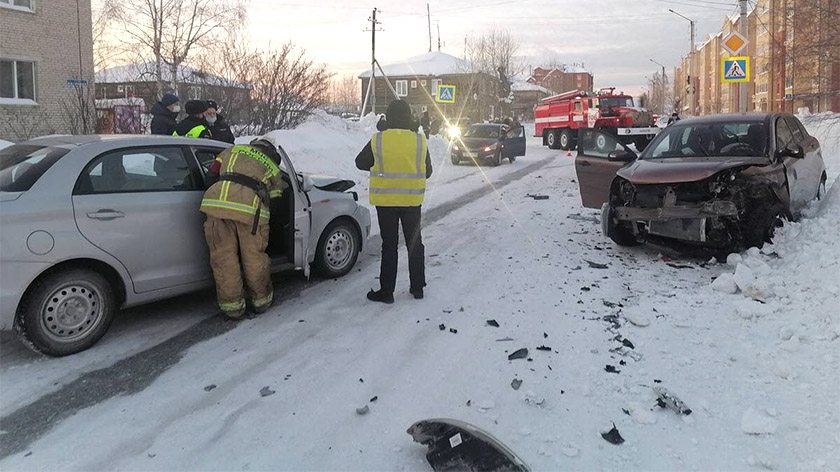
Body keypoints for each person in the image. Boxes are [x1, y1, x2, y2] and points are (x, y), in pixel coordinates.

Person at [355, 99, 433, 304]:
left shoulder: (378, 140)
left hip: (386, 202)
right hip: (411, 201)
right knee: (415, 244)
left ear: (388, 117)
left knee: (389, 246)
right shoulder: (419, 141)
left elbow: (360, 162)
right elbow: (429, 171)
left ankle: (387, 292)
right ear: (409, 117)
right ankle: (417, 288)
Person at [200, 138, 286, 319]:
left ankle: (233, 308)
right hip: (250, 214)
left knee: (223, 259)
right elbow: (276, 198)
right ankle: (261, 301)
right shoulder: (271, 165)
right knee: (253, 258)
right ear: (271, 151)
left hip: (216, 206)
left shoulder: (231, 150)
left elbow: (211, 176)